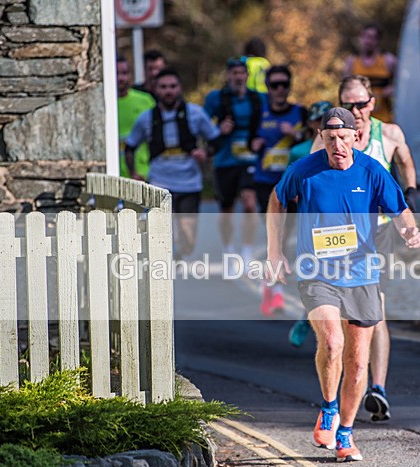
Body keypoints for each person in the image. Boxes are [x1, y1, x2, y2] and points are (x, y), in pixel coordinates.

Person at [266, 107, 420, 462]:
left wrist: (410, 230)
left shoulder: (372, 170)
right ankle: (329, 406)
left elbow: (399, 210)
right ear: (321, 137)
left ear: (355, 136)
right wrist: (274, 251)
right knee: (333, 343)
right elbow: (276, 200)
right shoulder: (304, 170)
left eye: (343, 137)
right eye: (330, 138)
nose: (337, 144)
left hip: (363, 275)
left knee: (357, 360)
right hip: (317, 273)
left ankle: (346, 434)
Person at [310, 75, 419, 423]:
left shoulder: (389, 134)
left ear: (372, 102)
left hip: (379, 235)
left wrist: (410, 196)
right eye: (348, 103)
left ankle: (378, 387)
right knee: (342, 315)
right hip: (339, 236)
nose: (355, 110)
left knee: (377, 311)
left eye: (360, 103)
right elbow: (312, 174)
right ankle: (346, 377)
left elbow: (405, 162)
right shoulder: (328, 136)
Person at [125, 68, 220, 261]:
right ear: (156, 89)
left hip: (189, 182)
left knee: (188, 236)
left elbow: (215, 140)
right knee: (161, 229)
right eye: (163, 87)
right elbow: (130, 146)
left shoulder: (195, 113)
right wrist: (133, 172)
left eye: (172, 86)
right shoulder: (147, 118)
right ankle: (166, 257)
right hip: (160, 182)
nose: (168, 91)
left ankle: (180, 248)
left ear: (179, 88)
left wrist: (206, 152)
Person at [250, 65, 308, 316]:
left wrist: (294, 134)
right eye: (274, 85)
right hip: (266, 183)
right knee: (275, 237)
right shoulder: (259, 113)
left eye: (284, 84)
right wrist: (255, 144)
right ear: (268, 88)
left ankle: (273, 286)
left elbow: (310, 142)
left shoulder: (300, 113)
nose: (280, 89)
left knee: (283, 239)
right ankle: (273, 291)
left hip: (292, 186)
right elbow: (249, 142)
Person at [203, 57, 263, 264]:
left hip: (249, 160)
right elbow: (202, 124)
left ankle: (247, 250)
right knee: (226, 209)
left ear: (247, 75)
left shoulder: (258, 98)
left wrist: (261, 139)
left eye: (242, 73)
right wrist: (218, 131)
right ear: (228, 76)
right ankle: (228, 249)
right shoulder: (215, 98)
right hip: (225, 159)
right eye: (234, 73)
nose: (238, 77)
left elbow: (268, 121)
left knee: (249, 203)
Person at [286, 100, 333, 347]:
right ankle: (307, 316)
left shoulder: (347, 148)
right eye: (318, 121)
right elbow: (289, 187)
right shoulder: (299, 151)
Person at [343, 23, 397, 122]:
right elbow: (344, 89)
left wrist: (392, 89)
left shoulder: (388, 60)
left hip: (383, 117)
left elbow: (404, 83)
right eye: (365, 37)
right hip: (358, 117)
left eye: (373, 38)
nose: (368, 41)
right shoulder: (352, 61)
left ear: (378, 41)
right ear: (360, 38)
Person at [117, 55, 155, 179]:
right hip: (114, 174)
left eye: (124, 73)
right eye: (116, 73)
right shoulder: (102, 103)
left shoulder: (146, 101)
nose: (120, 78)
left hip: (143, 172)